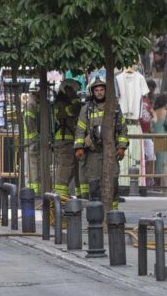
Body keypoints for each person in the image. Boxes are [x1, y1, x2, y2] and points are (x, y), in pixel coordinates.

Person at [74, 76, 128, 208]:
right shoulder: (86, 109)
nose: (99, 92)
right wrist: (79, 148)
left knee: (113, 184)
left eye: (101, 90)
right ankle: (98, 216)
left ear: (106, 91)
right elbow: (80, 130)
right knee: (94, 186)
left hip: (111, 151)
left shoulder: (114, 107)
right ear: (93, 92)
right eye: (96, 90)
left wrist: (121, 147)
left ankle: (113, 214)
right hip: (93, 153)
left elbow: (122, 130)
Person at [51, 79, 81, 197]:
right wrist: (73, 97)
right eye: (73, 92)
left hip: (66, 140)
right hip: (65, 140)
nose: (75, 94)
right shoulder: (62, 105)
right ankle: (60, 196)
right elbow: (76, 109)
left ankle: (65, 194)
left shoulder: (59, 104)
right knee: (65, 167)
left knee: (71, 167)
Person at [23, 81, 42, 193]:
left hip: (31, 139)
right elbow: (29, 122)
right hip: (31, 140)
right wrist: (36, 137)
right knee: (33, 166)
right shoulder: (31, 104)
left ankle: (35, 189)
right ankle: (33, 191)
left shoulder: (33, 102)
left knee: (34, 165)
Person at [151, 95, 167, 188]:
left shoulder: (154, 113)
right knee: (163, 163)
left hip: (154, 140)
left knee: (155, 164)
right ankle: (163, 185)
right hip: (164, 140)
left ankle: (155, 183)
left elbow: (151, 128)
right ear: (165, 103)